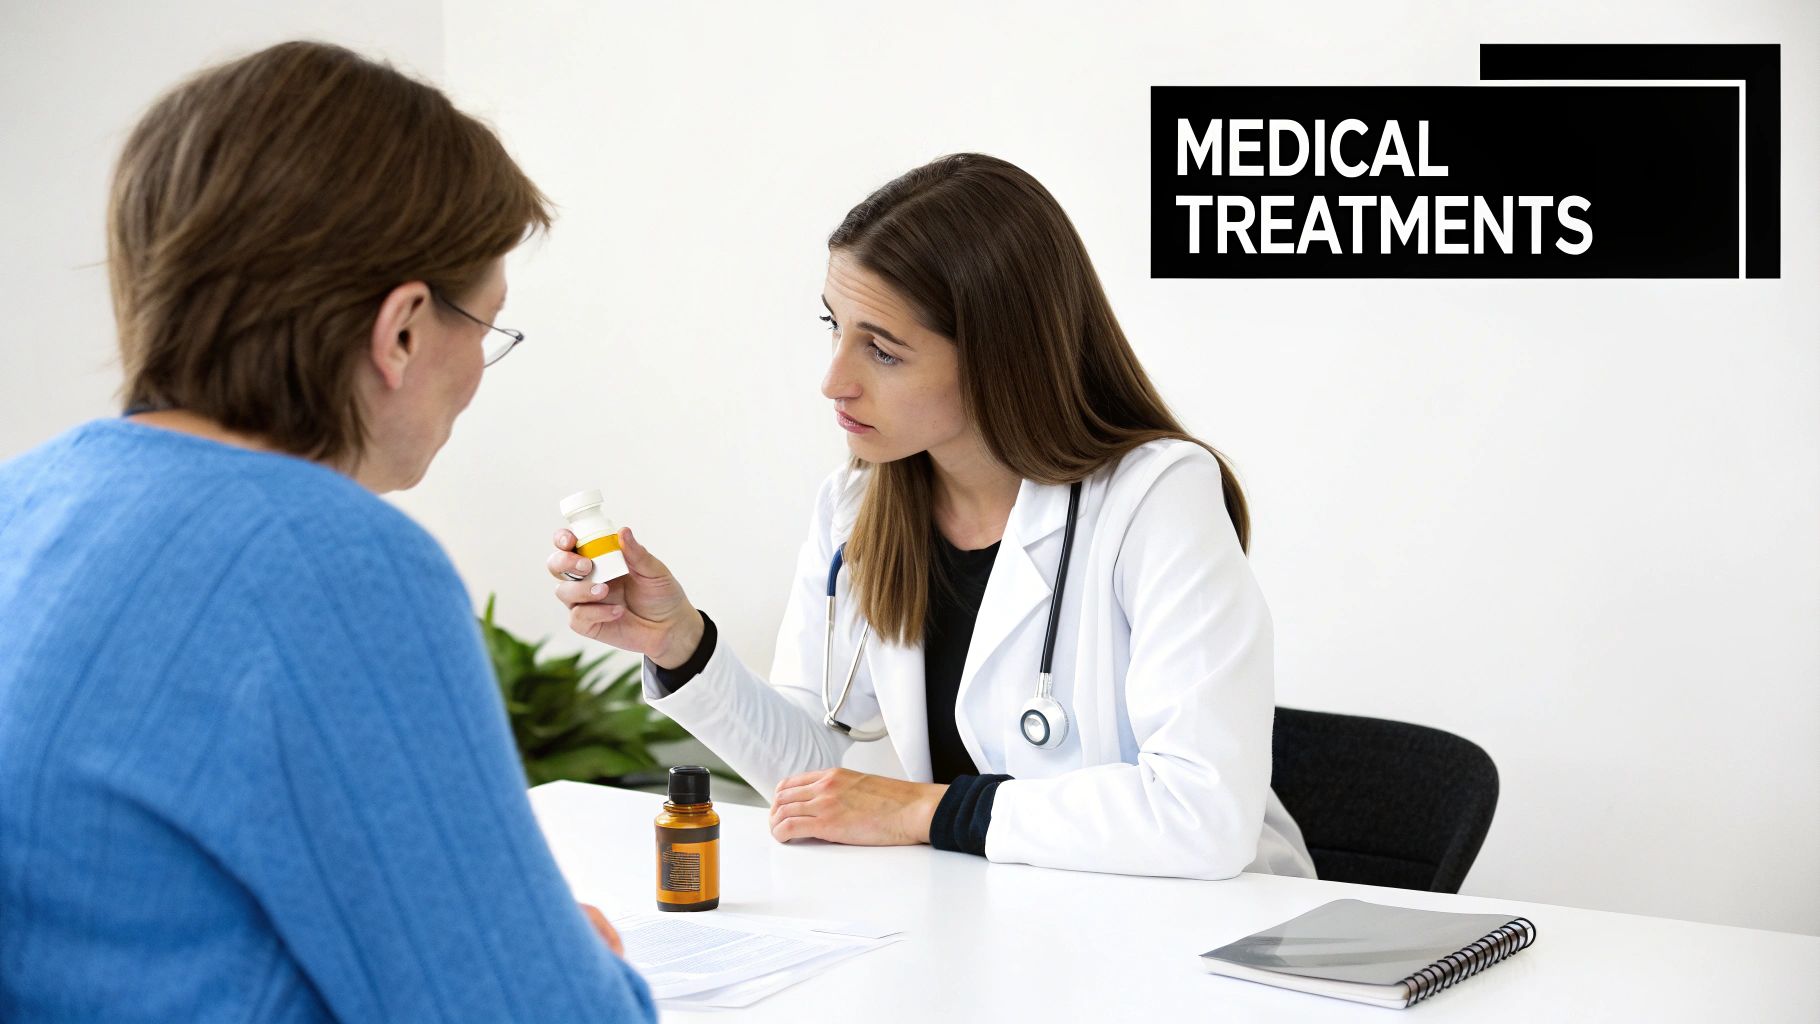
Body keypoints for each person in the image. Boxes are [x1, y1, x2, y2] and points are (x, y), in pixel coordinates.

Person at [0, 42, 653, 1023]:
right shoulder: (335, 562)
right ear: (401, 330)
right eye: (485, 325)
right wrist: (570, 962)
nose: (477, 374)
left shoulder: (22, 502)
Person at [549, 154, 1316, 880]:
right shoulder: (856, 510)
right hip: (1007, 918)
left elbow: (1200, 814)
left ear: (999, 356)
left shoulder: (1156, 497)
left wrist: (925, 809)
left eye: (882, 351)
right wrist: (678, 643)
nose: (834, 381)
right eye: (834, 327)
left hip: (1207, 926)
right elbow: (810, 779)